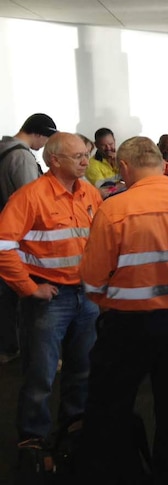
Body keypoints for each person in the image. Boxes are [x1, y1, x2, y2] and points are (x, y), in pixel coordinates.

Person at [78, 136, 168, 483]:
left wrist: (115, 302)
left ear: (124, 168)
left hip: (127, 325)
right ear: (163, 165)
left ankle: (122, 474)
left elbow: (93, 281)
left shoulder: (114, 208)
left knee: (111, 407)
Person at [0, 132, 101, 456]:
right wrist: (29, 288)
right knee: (40, 374)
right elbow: (3, 247)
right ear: (54, 160)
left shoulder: (89, 193)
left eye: (85, 155)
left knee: (82, 367)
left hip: (86, 296)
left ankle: (74, 426)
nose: (85, 161)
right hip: (49, 299)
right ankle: (33, 437)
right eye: (78, 156)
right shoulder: (30, 197)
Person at [0, 113, 57, 365]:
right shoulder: (22, 156)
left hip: (6, 229)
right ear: (39, 133)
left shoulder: (3, 149)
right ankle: (23, 350)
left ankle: (9, 346)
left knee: (7, 298)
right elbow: (33, 200)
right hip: (20, 237)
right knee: (24, 299)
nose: (43, 147)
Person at [85, 127, 124, 198]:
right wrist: (125, 183)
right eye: (104, 145)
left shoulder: (123, 156)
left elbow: (136, 177)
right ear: (96, 145)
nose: (108, 148)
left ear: (114, 141)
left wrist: (119, 161)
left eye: (111, 144)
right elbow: (106, 191)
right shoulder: (91, 165)